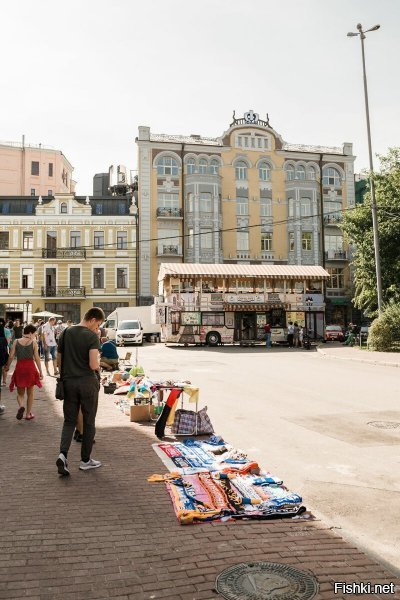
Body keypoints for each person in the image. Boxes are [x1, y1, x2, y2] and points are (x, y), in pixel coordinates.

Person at [56, 306, 105, 476]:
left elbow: (59, 361)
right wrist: (98, 365)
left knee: (69, 421)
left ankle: (63, 455)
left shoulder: (65, 333)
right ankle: (85, 460)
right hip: (87, 383)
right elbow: (93, 365)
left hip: (68, 383)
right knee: (89, 420)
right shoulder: (91, 336)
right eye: (97, 325)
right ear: (92, 319)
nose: (97, 328)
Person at [4, 324, 43, 420]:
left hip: (20, 368)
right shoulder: (33, 342)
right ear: (30, 333)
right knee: (30, 393)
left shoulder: (16, 341)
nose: (35, 335)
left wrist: (7, 367)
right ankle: (28, 414)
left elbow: (11, 355)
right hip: (30, 368)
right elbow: (37, 358)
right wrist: (40, 371)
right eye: (34, 333)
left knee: (20, 393)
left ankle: (21, 406)